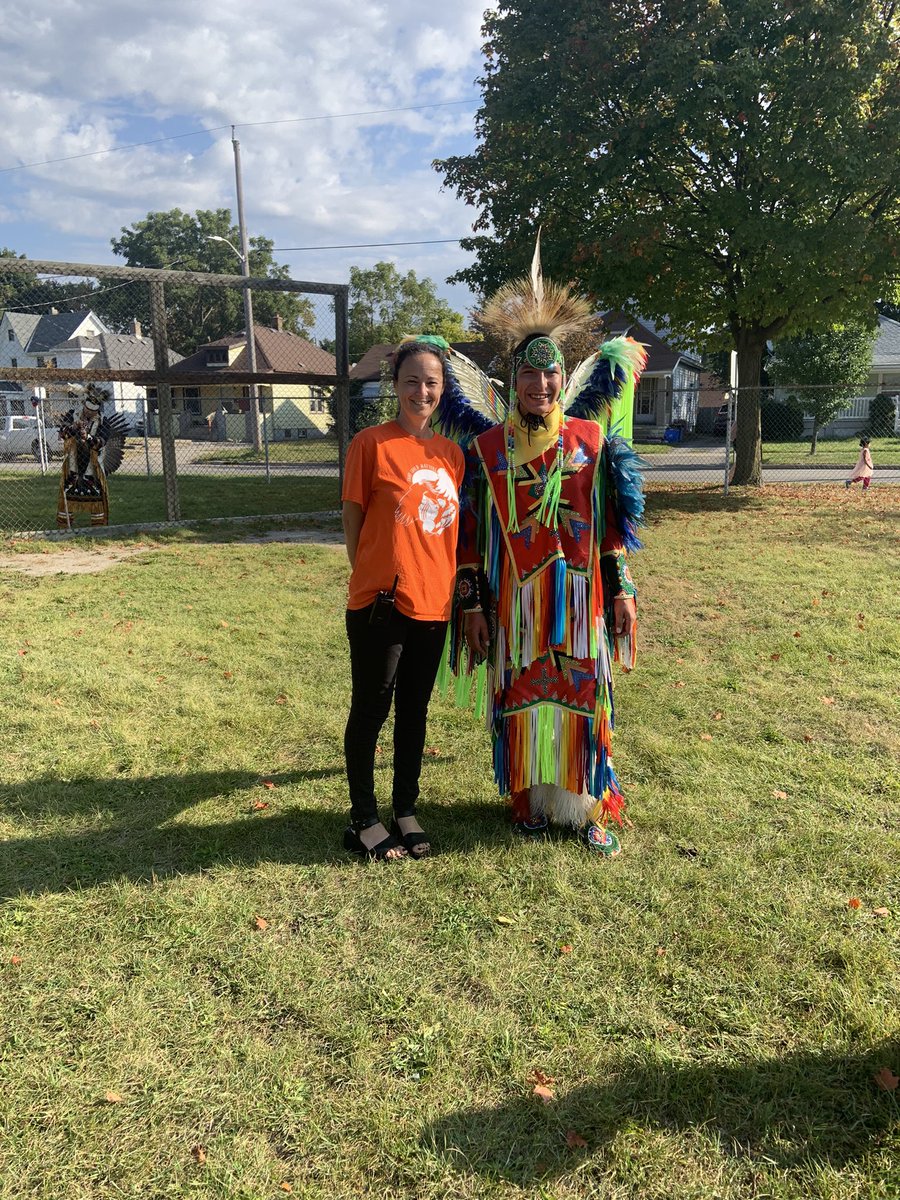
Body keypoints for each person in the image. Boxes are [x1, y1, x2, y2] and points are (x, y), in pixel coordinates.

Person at [452, 248, 645, 855]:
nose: (540, 385)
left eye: (551, 375)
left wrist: (622, 590)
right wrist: (472, 606)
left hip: (580, 599)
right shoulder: (488, 450)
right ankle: (529, 801)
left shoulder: (591, 439)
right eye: (529, 376)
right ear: (513, 382)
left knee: (585, 695)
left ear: (564, 378)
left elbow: (610, 528)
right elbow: (469, 539)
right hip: (516, 603)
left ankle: (590, 804)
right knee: (523, 696)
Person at [341, 338, 465, 861]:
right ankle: (364, 818)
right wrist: (373, 574)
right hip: (382, 603)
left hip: (435, 604)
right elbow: (353, 522)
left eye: (431, 382)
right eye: (411, 380)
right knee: (372, 708)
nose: (421, 391)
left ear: (443, 389)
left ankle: (405, 809)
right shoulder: (370, 444)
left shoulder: (452, 455)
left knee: (414, 711)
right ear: (395, 386)